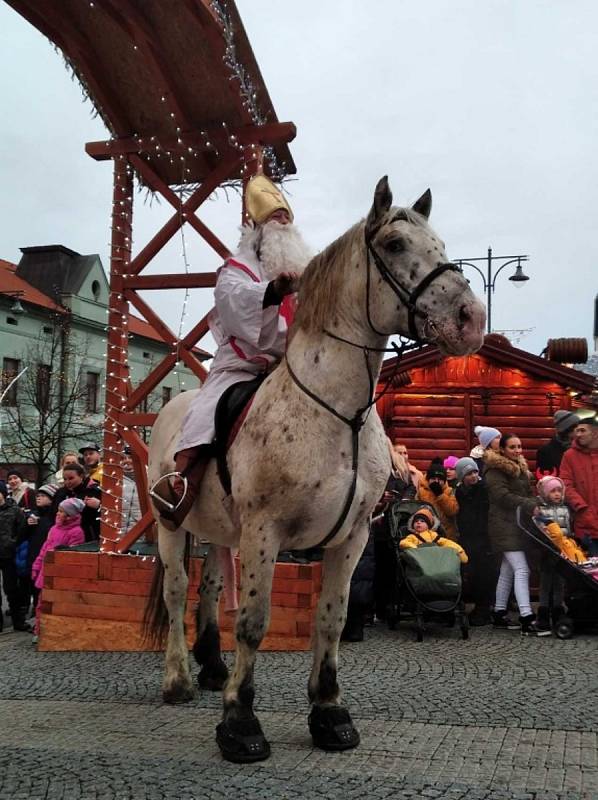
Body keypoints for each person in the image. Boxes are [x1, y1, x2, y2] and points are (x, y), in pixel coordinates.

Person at [151, 174, 312, 531]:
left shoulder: (306, 270)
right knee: (208, 413)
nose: (282, 224)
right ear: (257, 228)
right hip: (241, 366)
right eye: (275, 219)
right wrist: (272, 291)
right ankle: (182, 486)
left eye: (286, 218)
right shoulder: (236, 270)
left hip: (289, 367)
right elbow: (232, 302)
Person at [484, 433, 549, 636]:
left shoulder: (520, 468)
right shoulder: (495, 470)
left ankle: (499, 613)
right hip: (502, 525)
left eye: (519, 446)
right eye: (512, 447)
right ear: (502, 449)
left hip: (517, 525)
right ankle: (527, 618)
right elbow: (502, 496)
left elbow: (526, 494)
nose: (517, 450)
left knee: (508, 571)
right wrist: (530, 505)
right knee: (522, 569)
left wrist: (536, 502)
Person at [31, 497, 86, 643]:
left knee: (58, 604)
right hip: (46, 571)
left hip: (60, 575)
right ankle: (39, 630)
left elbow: (74, 556)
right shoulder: (54, 529)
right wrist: (36, 566)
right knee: (41, 603)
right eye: (58, 510)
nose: (58, 514)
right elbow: (44, 549)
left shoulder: (76, 532)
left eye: (61, 512)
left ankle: (55, 630)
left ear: (69, 515)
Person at [455, 456, 495, 626]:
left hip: (482, 537)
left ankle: (483, 609)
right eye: (469, 473)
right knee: (470, 573)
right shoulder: (458, 492)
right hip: (466, 537)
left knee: (483, 575)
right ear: (462, 477)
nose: (473, 476)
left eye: (475, 472)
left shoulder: (483, 489)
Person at [533, 476, 572, 632]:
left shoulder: (566, 509)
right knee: (545, 582)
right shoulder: (541, 510)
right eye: (553, 491)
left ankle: (558, 609)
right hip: (547, 551)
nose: (557, 494)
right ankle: (543, 612)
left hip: (562, 551)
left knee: (559, 582)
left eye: (559, 491)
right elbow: (539, 530)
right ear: (544, 493)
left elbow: (568, 528)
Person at [560, 416, 598, 556]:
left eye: (583, 431)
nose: (578, 434)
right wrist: (582, 508)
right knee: (592, 573)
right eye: (577, 431)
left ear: (595, 433)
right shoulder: (569, 456)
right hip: (586, 525)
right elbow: (566, 484)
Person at [25, 484, 58, 618]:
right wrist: (27, 524)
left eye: (43, 496)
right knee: (33, 586)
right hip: (34, 556)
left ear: (51, 499)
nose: (38, 498)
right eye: (37, 496)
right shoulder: (33, 514)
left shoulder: (54, 517)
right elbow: (23, 535)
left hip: (47, 557)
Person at [0, 480, 28, 631]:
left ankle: (18, 621)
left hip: (9, 555)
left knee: (11, 589)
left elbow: (22, 529)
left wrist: (13, 542)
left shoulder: (14, 509)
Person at [400, 507, 468, 563]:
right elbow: (404, 543)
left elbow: (447, 543)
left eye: (422, 521)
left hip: (435, 560)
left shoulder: (434, 536)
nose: (418, 523)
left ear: (429, 525)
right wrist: (415, 549)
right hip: (420, 560)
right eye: (416, 521)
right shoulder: (412, 537)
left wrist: (459, 551)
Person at [53, 463, 101, 542]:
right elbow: (53, 513)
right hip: (66, 535)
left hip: (89, 537)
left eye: (71, 478)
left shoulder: (94, 491)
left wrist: (99, 506)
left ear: (81, 476)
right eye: (65, 479)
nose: (67, 482)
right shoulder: (62, 493)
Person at [416, 459, 459, 540]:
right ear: (428, 479)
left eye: (440, 479)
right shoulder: (421, 492)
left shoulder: (449, 491)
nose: (436, 481)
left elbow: (452, 511)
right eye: (433, 479)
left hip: (447, 533)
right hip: (427, 534)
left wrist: (440, 495)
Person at [535, 410, 580, 480]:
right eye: (577, 428)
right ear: (568, 430)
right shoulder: (545, 452)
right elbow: (543, 480)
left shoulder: (581, 447)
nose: (579, 432)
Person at [121, 447, 142, 533]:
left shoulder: (147, 477)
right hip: (120, 532)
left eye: (130, 457)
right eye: (123, 458)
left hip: (141, 531)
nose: (127, 461)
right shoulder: (114, 479)